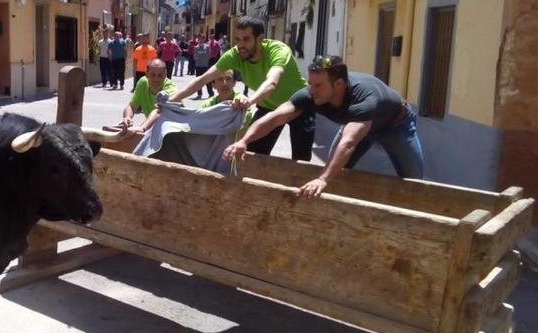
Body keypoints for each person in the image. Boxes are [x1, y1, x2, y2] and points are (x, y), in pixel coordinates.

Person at [224, 56, 425, 197]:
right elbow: (275, 117)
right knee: (336, 170)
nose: (312, 90)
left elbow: (348, 142)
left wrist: (323, 178)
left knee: (414, 182)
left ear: (338, 85)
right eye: (310, 83)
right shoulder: (311, 94)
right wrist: (244, 141)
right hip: (355, 124)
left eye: (318, 85)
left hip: (395, 125)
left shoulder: (363, 99)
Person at [170, 16, 315, 161]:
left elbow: (271, 82)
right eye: (238, 39)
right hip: (268, 107)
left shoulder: (278, 50)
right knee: (251, 154)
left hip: (299, 106)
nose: (240, 45)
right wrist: (172, 100)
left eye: (246, 39)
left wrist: (249, 100)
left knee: (301, 159)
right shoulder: (235, 55)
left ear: (260, 39)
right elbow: (203, 79)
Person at [117, 58, 178, 132]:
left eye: (160, 75)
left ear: (165, 74)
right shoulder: (142, 83)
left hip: (174, 133)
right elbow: (131, 106)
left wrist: (141, 127)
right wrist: (127, 117)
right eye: (153, 75)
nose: (156, 79)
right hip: (155, 130)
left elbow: (158, 112)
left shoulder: (171, 90)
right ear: (146, 74)